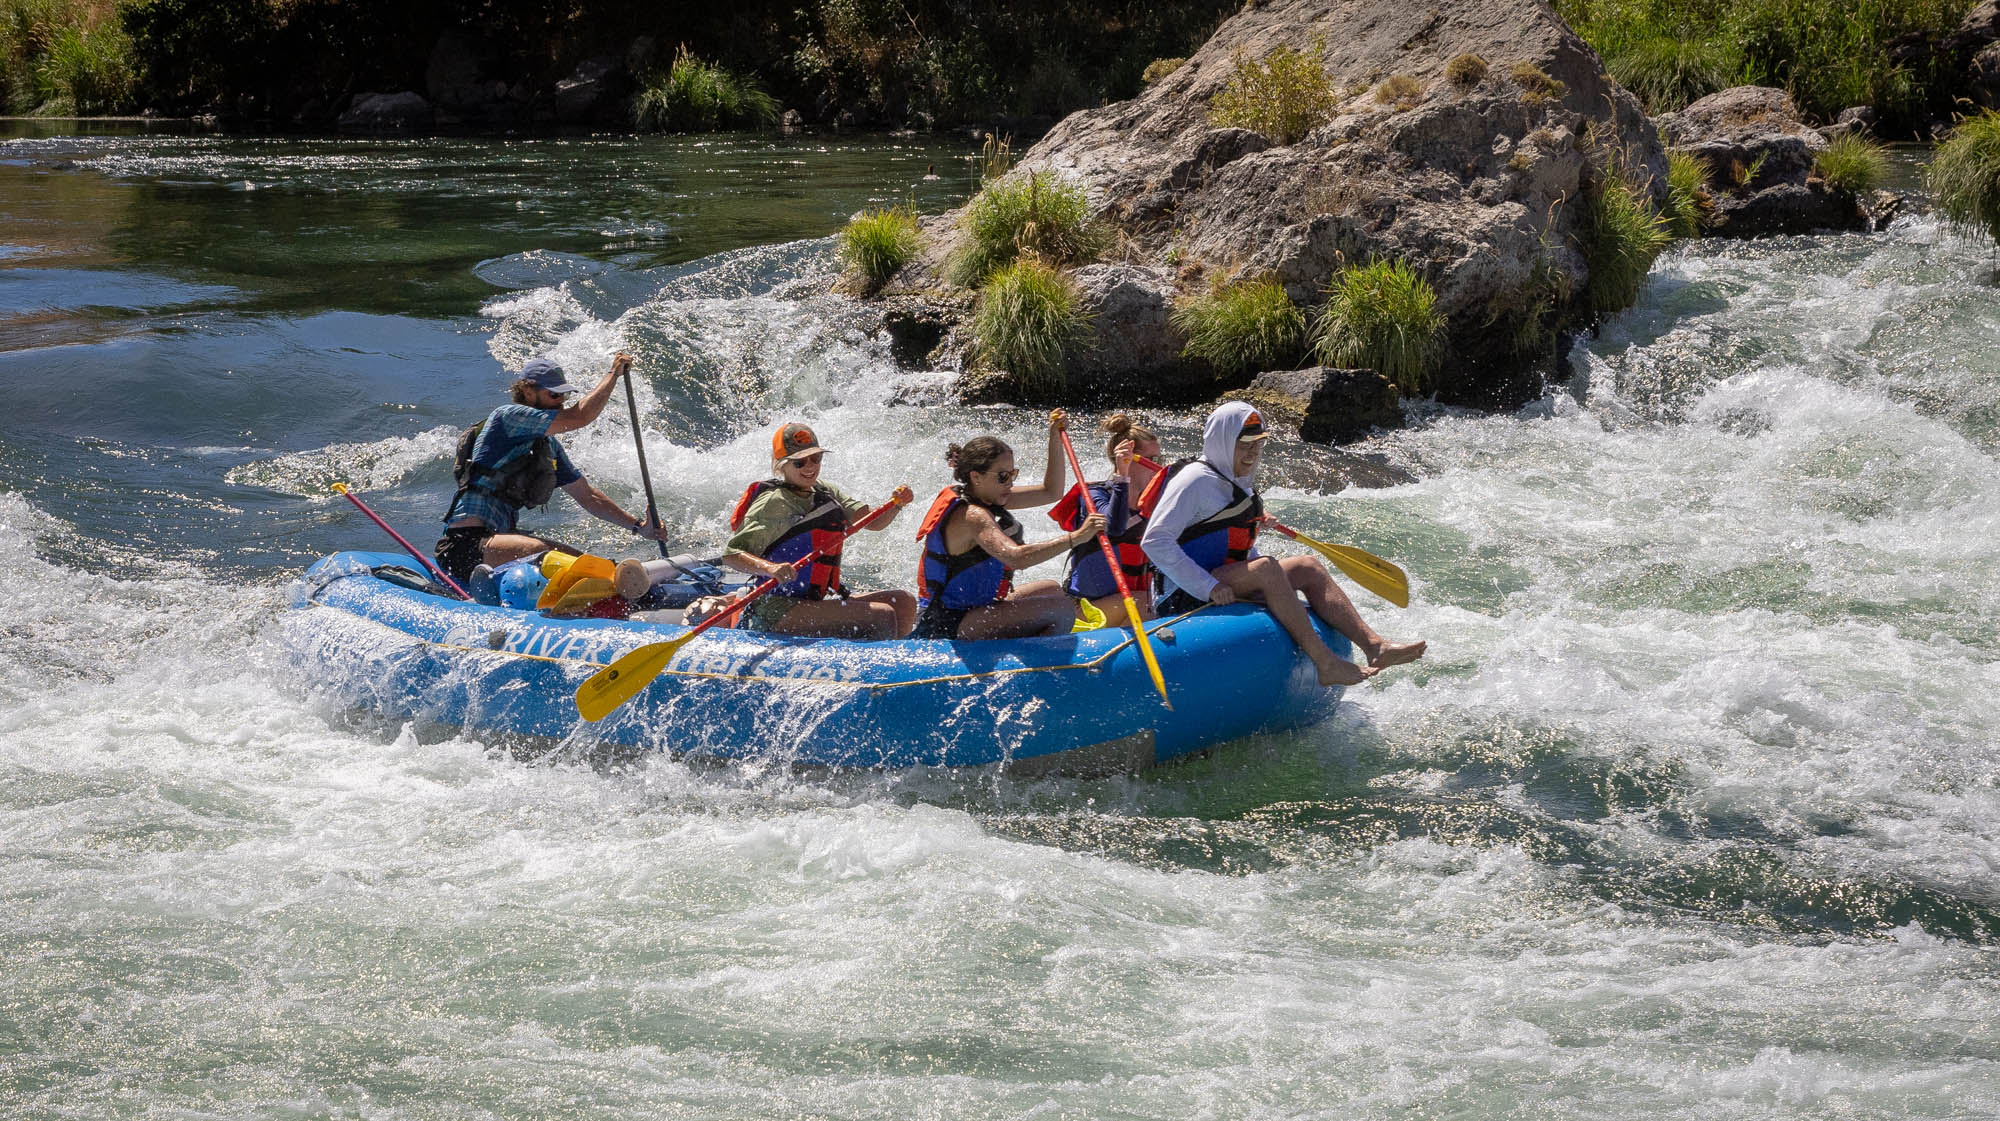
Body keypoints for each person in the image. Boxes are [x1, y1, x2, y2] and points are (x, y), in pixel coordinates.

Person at [1139, 400, 1425, 686]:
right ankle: (1326, 664)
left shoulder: (1238, 481)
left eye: (1258, 444)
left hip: (1226, 576)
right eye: (1245, 444)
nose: (1253, 452)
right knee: (1266, 568)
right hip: (1186, 591)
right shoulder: (1194, 480)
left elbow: (1228, 541)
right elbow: (1154, 541)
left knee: (1308, 566)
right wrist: (1209, 587)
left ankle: (1376, 647)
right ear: (1223, 441)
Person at [435, 353, 667, 587]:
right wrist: (613, 374)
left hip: (499, 542)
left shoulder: (548, 447)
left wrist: (639, 527)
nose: (560, 400)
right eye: (554, 394)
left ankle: (626, 585)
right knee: (538, 550)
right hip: (464, 546)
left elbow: (589, 497)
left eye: (564, 395)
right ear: (527, 392)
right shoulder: (508, 416)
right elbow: (579, 417)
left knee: (583, 561)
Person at [912, 411, 1107, 640]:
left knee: (1051, 588)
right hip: (949, 623)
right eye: (1003, 476)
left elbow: (1051, 491)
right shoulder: (972, 516)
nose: (1011, 483)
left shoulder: (989, 496)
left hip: (975, 610)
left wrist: (1054, 437)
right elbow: (1017, 558)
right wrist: (1077, 537)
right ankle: (1040, 666)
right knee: (1061, 608)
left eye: (1012, 474)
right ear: (977, 477)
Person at [718, 422, 917, 640]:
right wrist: (770, 568)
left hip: (814, 601)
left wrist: (896, 505)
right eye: (800, 462)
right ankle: (882, 668)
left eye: (816, 458)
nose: (810, 466)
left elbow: (872, 522)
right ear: (781, 465)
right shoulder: (773, 503)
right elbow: (731, 555)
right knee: (882, 615)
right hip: (775, 608)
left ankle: (899, 658)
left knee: (903, 602)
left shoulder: (825, 491)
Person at [1049, 414, 1164, 627]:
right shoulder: (1094, 496)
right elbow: (1115, 527)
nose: (1160, 466)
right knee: (1144, 602)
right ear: (1128, 459)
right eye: (1153, 460)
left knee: (1153, 601)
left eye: (1160, 459)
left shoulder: (1159, 501)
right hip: (1087, 608)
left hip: (1132, 603)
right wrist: (1123, 475)